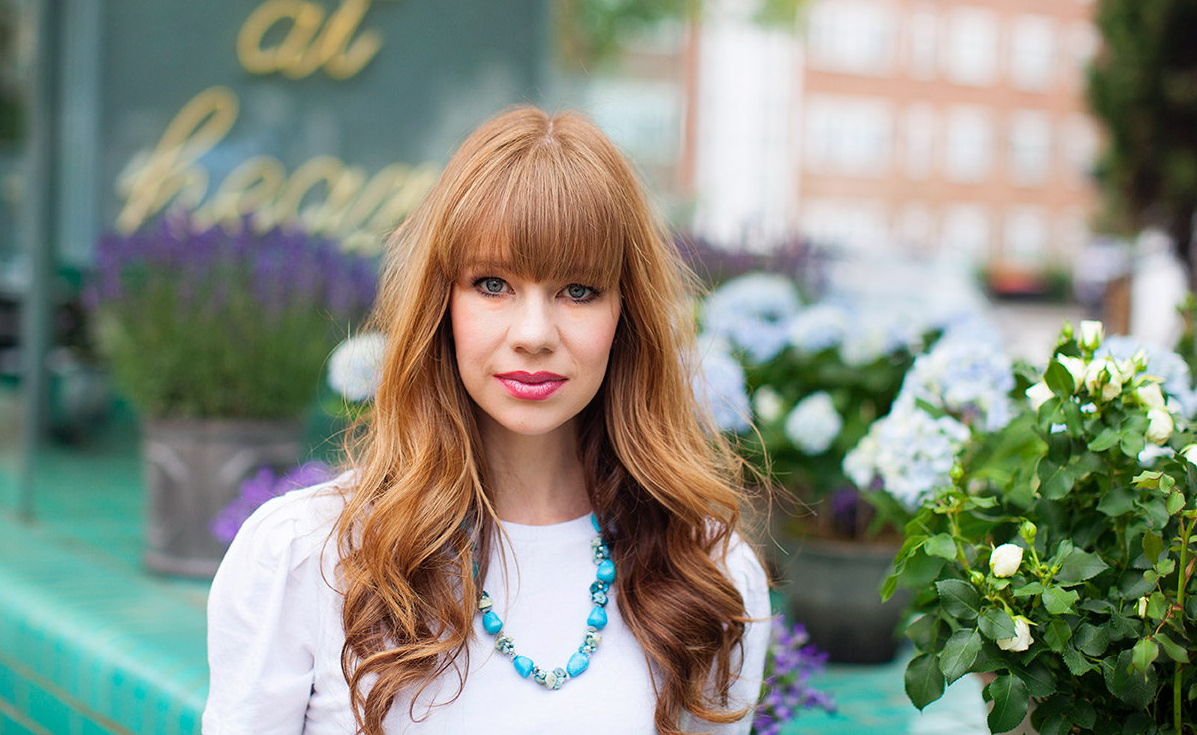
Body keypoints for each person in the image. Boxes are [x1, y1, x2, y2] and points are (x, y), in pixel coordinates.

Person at [203, 107, 771, 735]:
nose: (534, 335)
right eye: (493, 283)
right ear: (441, 303)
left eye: (578, 290)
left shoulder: (708, 573)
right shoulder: (304, 556)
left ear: (626, 316)